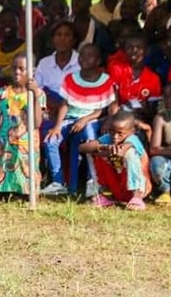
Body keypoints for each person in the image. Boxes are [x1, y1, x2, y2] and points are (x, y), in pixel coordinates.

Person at [41, 44, 117, 197]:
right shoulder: (70, 79)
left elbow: (103, 108)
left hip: (93, 119)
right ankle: (58, 182)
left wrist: (85, 119)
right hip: (70, 119)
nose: (84, 59)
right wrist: (57, 127)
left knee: (89, 135)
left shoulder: (105, 80)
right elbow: (64, 104)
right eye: (81, 56)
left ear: (98, 60)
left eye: (89, 56)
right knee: (50, 139)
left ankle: (92, 181)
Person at [0, 55, 45, 197]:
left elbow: (37, 123)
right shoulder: (3, 93)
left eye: (22, 69)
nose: (17, 72)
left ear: (32, 71)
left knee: (24, 165)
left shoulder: (37, 94)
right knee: (1, 163)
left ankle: (25, 191)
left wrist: (35, 95)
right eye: (14, 68)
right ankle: (0, 190)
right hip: (3, 141)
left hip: (25, 142)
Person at [79, 109, 151, 210]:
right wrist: (101, 147)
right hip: (118, 185)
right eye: (112, 131)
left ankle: (137, 197)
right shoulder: (109, 137)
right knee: (95, 152)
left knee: (129, 154)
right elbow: (82, 148)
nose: (115, 137)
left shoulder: (133, 140)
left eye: (120, 133)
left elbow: (120, 152)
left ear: (131, 132)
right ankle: (106, 195)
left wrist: (102, 149)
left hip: (137, 187)